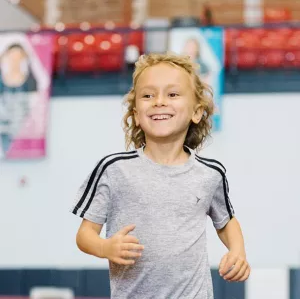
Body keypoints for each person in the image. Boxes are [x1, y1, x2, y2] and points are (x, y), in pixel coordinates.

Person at [71, 53, 250, 299]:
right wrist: (104, 247)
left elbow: (227, 222)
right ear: (135, 114)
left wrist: (238, 250)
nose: (159, 101)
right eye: (148, 95)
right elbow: (84, 235)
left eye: (173, 94)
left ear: (196, 112)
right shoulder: (113, 170)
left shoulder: (210, 174)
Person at [0, 43, 37, 156]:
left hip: (23, 127)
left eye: (18, 57)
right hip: (5, 128)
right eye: (11, 57)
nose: (14, 60)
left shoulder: (31, 82)